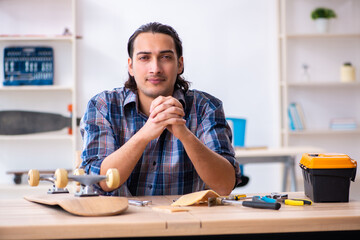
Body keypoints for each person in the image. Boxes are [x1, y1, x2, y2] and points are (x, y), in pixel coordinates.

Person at [80, 22, 242, 196]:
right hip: (120, 219)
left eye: (165, 57)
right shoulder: (103, 105)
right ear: (130, 66)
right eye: (144, 58)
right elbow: (98, 181)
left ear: (180, 64)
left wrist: (184, 134)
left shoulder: (206, 107)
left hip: (186, 220)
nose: (155, 69)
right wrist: (145, 134)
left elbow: (225, 186)